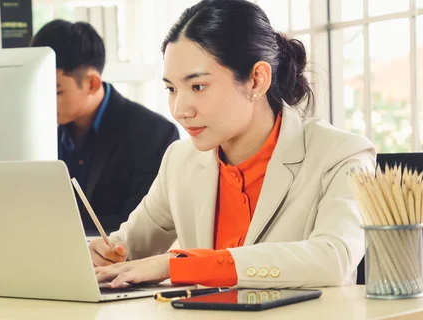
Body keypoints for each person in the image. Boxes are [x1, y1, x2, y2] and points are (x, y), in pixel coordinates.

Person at [89, 0, 376, 289]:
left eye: (198, 86)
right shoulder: (180, 160)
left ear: (256, 80)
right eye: (172, 89)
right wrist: (103, 255)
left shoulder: (342, 155)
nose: (179, 109)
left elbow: (332, 259)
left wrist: (182, 266)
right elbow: (126, 249)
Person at [30, 20, 180, 235]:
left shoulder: (153, 134)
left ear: (92, 83)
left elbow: (142, 225)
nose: (43, 102)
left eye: (56, 91)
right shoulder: (39, 130)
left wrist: (50, 226)